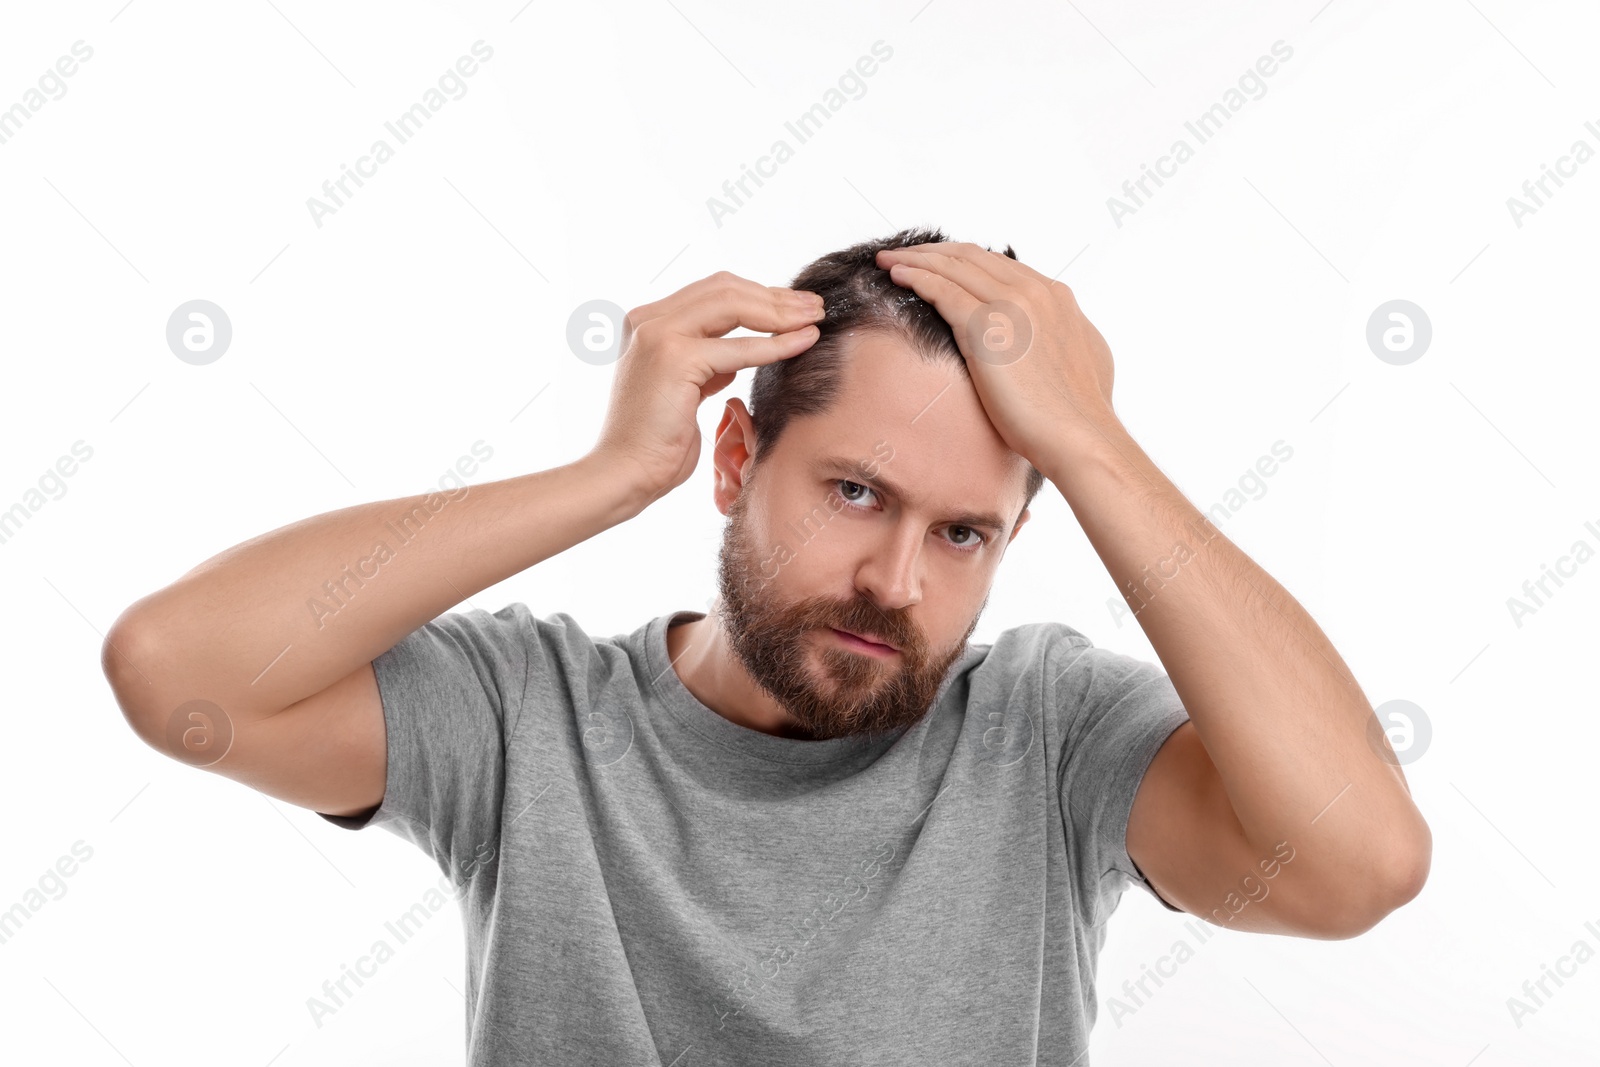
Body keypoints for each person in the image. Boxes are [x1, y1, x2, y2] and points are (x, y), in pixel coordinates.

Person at [102, 227, 1431, 1065]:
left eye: (965, 533)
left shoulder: (1054, 737)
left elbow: (1361, 865)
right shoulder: (530, 721)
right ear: (738, 458)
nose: (895, 581)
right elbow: (177, 673)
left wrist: (1091, 447)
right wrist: (611, 474)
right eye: (854, 492)